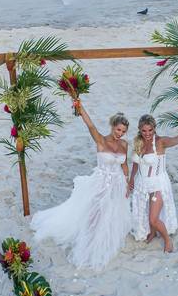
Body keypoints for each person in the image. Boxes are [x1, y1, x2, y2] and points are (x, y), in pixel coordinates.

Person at [30, 104, 132, 270]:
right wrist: (80, 105)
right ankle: (88, 237)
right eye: (118, 129)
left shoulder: (124, 145)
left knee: (111, 212)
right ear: (113, 126)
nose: (120, 134)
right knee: (94, 211)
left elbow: (124, 164)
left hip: (117, 183)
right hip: (100, 182)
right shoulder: (100, 140)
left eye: (123, 131)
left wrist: (127, 183)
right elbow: (90, 124)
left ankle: (104, 236)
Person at [128, 114, 178, 252]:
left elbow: (177, 139)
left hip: (157, 183)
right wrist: (131, 179)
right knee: (147, 210)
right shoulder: (138, 142)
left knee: (153, 218)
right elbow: (136, 163)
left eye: (150, 130)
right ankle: (153, 233)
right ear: (139, 130)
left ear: (154, 129)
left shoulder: (161, 142)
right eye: (144, 131)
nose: (147, 133)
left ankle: (167, 240)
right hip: (141, 183)